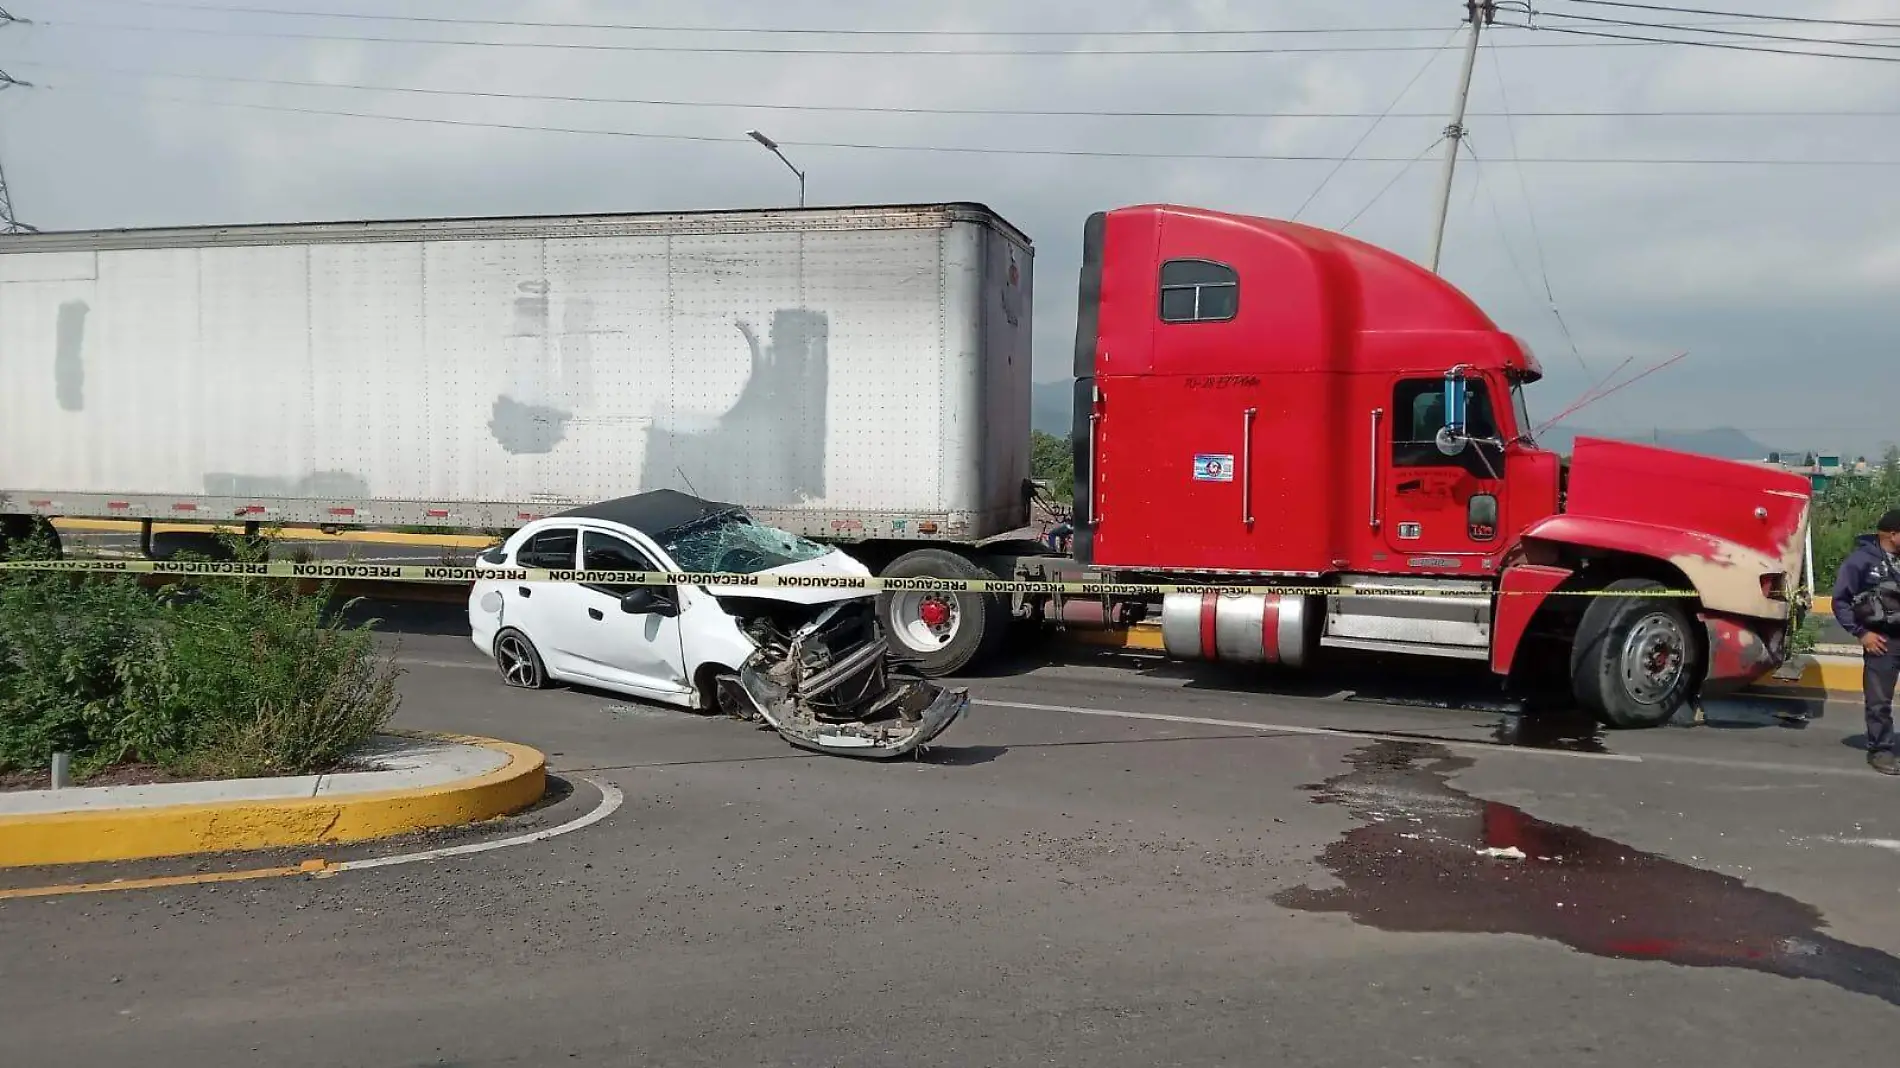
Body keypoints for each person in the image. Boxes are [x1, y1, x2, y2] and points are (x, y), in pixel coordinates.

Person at [1833, 509, 1900, 774]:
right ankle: (1881, 750)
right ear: (1893, 535)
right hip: (1882, 641)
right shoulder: (1861, 561)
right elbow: (1841, 601)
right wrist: (1862, 633)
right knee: (1879, 701)